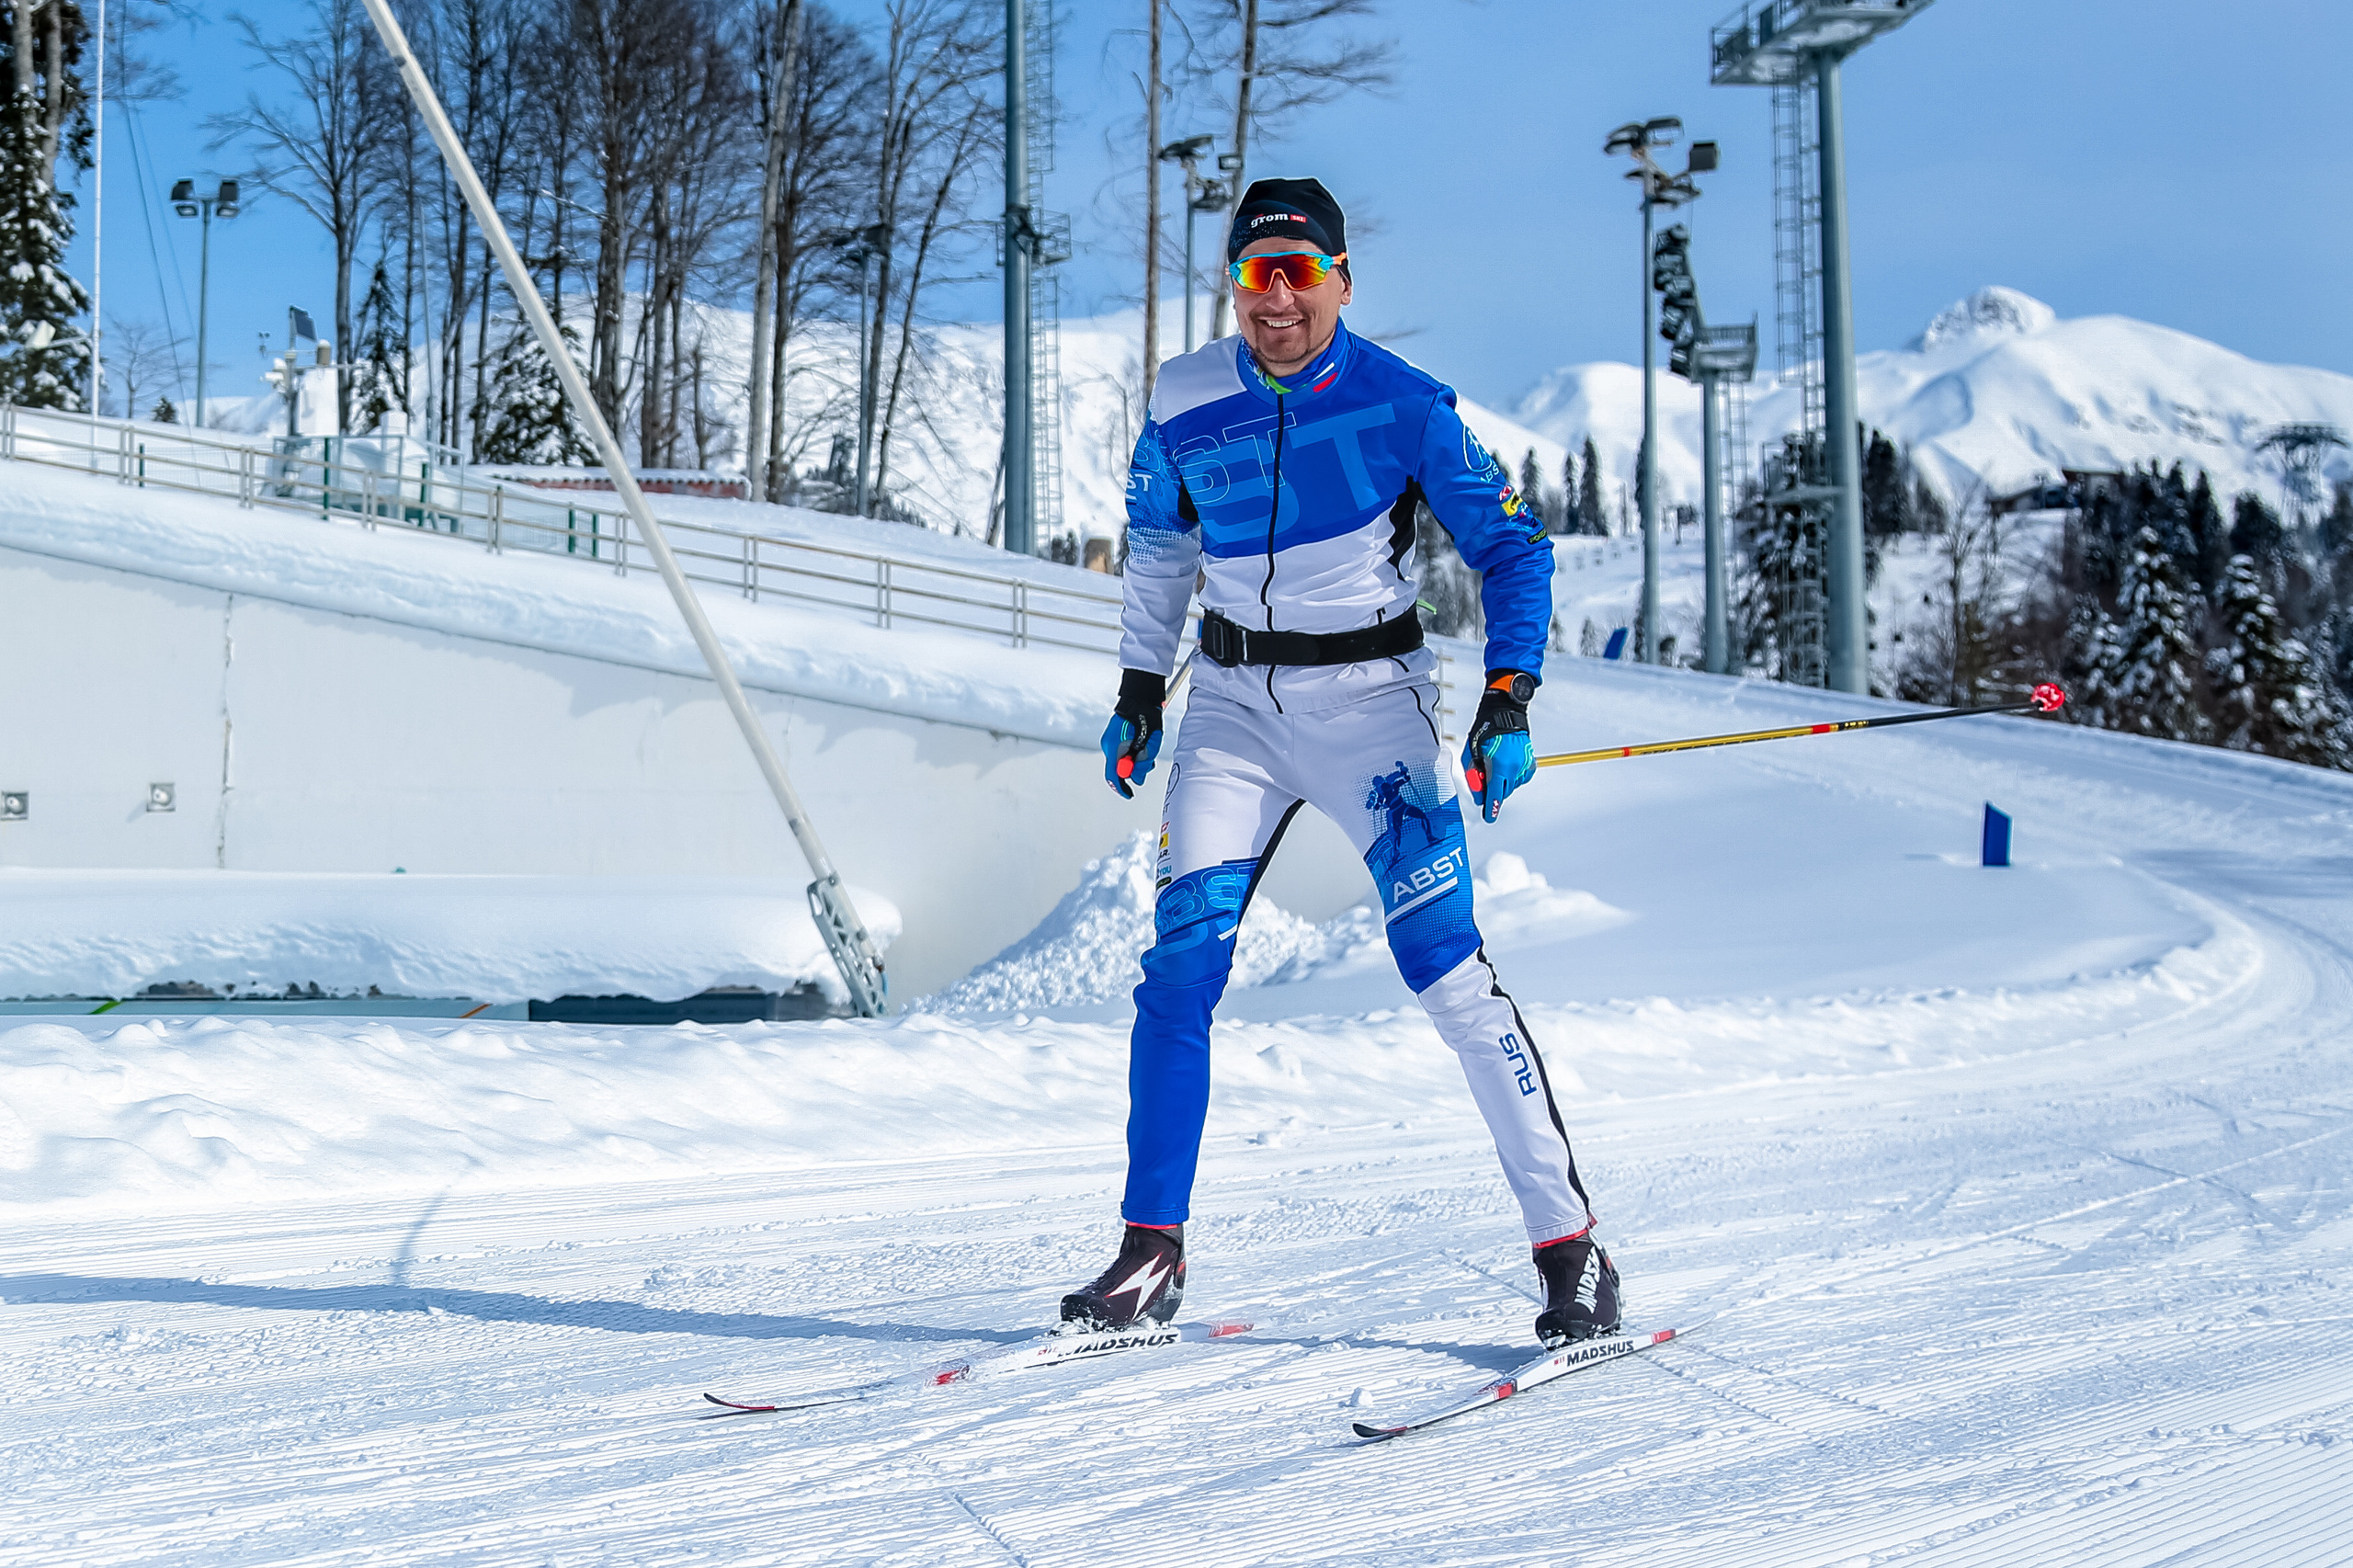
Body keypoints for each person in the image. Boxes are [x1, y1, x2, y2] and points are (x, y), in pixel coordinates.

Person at [1060, 176, 1620, 1347]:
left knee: (1444, 970)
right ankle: (1150, 1250)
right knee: (1178, 974)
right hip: (1230, 711)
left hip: (1372, 710)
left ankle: (1572, 1251)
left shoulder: (1404, 404)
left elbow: (1516, 551)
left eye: (1299, 274)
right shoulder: (1181, 398)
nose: (1277, 300)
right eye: (1256, 275)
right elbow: (1159, 559)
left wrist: (1507, 699)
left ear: (1341, 282)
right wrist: (1133, 691)